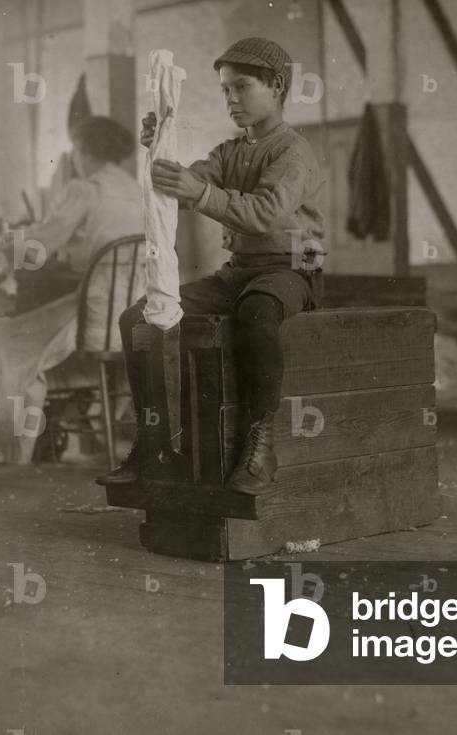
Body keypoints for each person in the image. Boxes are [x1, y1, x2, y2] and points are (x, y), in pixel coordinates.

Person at [97, 37, 326, 495]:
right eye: (225, 90)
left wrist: (197, 192)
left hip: (292, 271)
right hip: (238, 272)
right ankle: (154, 444)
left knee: (257, 312)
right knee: (139, 318)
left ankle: (261, 444)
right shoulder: (227, 152)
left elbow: (263, 214)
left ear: (277, 87)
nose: (231, 99)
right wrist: (159, 148)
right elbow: (181, 188)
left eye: (241, 87)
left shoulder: (293, 152)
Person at [0, 116, 144, 464]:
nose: (73, 157)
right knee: (24, 337)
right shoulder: (139, 192)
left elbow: (38, 248)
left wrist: (2, 244)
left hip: (95, 315)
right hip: (132, 321)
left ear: (83, 150)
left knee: (0, 338)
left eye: (75, 149)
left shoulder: (84, 189)